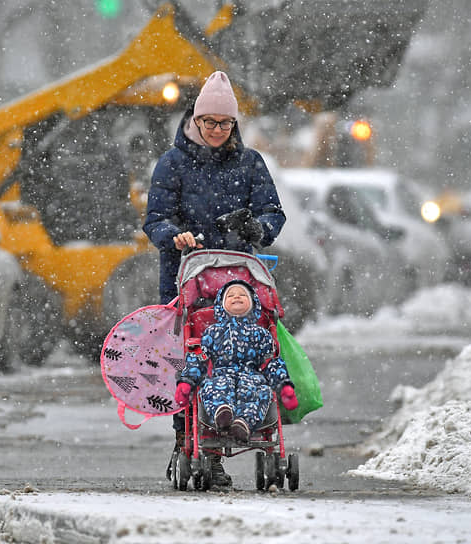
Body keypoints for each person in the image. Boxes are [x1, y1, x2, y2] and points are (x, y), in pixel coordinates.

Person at [143, 71, 286, 487]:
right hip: (185, 276)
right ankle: (188, 441)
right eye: (210, 123)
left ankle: (248, 422)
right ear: (196, 120)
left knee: (242, 358)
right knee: (188, 360)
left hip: (239, 281)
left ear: (234, 124)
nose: (217, 131)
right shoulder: (172, 164)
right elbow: (155, 219)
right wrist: (175, 235)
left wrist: (256, 226)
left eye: (224, 124)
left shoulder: (250, 163)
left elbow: (273, 213)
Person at [174, 280, 298, 443]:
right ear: (221, 305)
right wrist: (187, 381)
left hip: (252, 378)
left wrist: (284, 385)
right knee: (211, 387)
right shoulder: (212, 332)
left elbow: (271, 362)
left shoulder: (260, 334)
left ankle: (243, 424)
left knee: (262, 393)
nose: (236, 297)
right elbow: (199, 359)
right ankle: (222, 412)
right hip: (221, 376)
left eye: (242, 295)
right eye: (230, 295)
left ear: (253, 303)